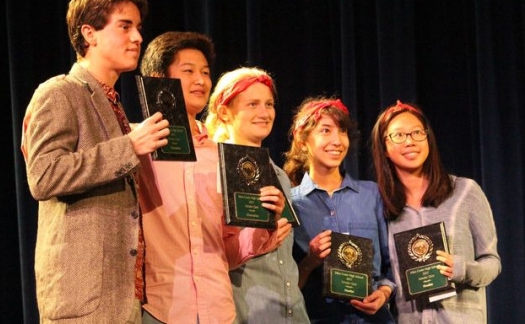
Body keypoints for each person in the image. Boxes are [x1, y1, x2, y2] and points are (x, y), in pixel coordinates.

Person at [21, 0, 170, 323]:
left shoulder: (113, 104)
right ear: (89, 33)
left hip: (123, 299)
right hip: (83, 299)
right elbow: (43, 177)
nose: (137, 38)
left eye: (138, 28)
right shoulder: (59, 93)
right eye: (125, 26)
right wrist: (129, 147)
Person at [138, 33, 287, 324]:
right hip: (162, 309)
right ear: (159, 78)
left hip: (218, 310)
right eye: (189, 71)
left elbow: (227, 252)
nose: (201, 81)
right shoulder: (139, 145)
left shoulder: (222, 156)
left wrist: (263, 226)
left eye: (205, 73)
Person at [370, 100, 501, 323]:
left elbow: (492, 262)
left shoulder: (464, 192)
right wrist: (382, 292)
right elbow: (387, 276)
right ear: (385, 148)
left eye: (417, 133)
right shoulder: (381, 206)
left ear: (428, 139)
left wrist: (461, 269)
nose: (409, 141)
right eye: (398, 136)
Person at [205, 67, 310, 323]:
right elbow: (209, 254)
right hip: (245, 313)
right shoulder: (211, 169)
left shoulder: (279, 174)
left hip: (291, 313)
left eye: (269, 104)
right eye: (252, 104)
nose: (264, 113)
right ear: (224, 112)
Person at [283, 97, 395, 323]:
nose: (337, 140)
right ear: (303, 141)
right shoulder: (291, 204)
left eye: (342, 131)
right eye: (326, 130)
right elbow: (285, 283)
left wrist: (383, 293)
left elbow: (392, 263)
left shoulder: (371, 194)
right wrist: (310, 261)